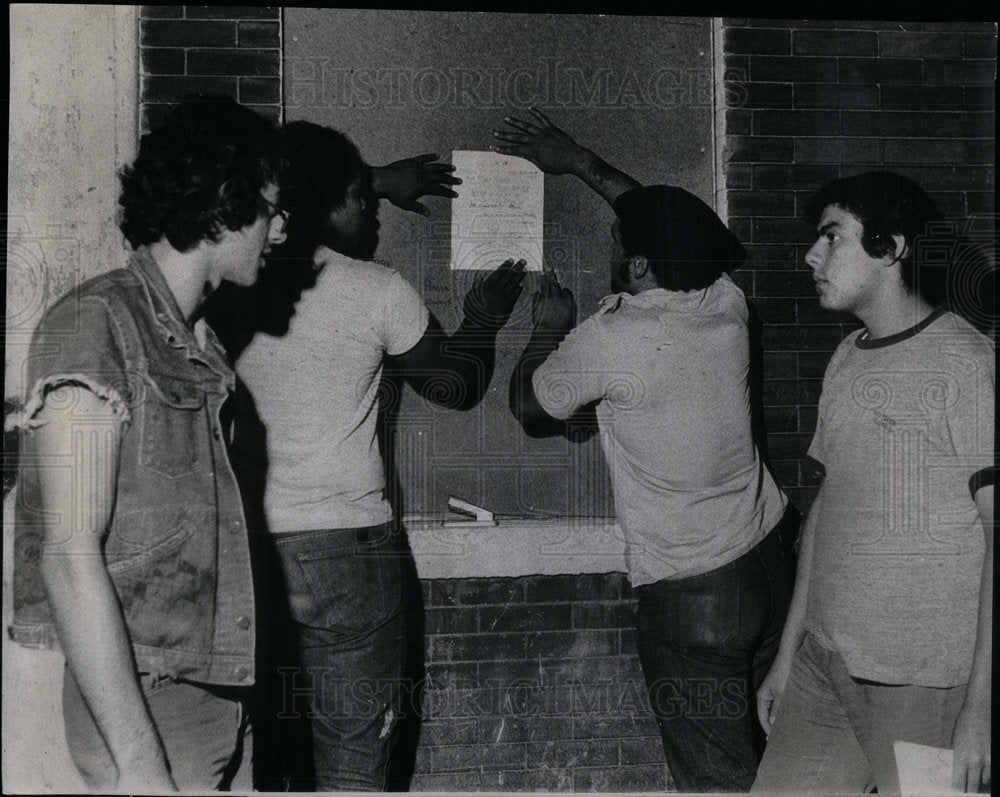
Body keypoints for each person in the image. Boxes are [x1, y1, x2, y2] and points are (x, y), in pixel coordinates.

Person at [208, 121, 526, 792]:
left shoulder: (228, 285)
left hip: (251, 553)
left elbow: (300, 188)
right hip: (349, 551)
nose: (373, 213)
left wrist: (374, 177)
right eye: (362, 196)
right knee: (355, 759)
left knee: (272, 752)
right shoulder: (376, 287)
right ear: (333, 200)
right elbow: (455, 385)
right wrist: (484, 318)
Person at [499, 108, 793, 792]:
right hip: (770, 565)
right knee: (783, 761)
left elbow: (529, 409)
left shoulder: (611, 339)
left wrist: (548, 328)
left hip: (693, 596)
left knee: (718, 780)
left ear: (635, 263)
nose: (607, 243)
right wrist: (577, 160)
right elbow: (661, 219)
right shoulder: (727, 304)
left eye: (613, 241)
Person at [10, 99, 287, 792]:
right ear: (223, 207)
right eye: (270, 209)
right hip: (148, 707)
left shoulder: (198, 341)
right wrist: (139, 761)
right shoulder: (93, 325)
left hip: (210, 694)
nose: (281, 229)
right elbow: (70, 556)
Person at [752, 172, 993, 794]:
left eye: (832, 237)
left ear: (892, 248)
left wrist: (981, 713)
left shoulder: (968, 366)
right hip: (823, 669)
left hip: (927, 687)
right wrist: (787, 655)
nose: (812, 254)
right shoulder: (846, 357)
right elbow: (827, 514)